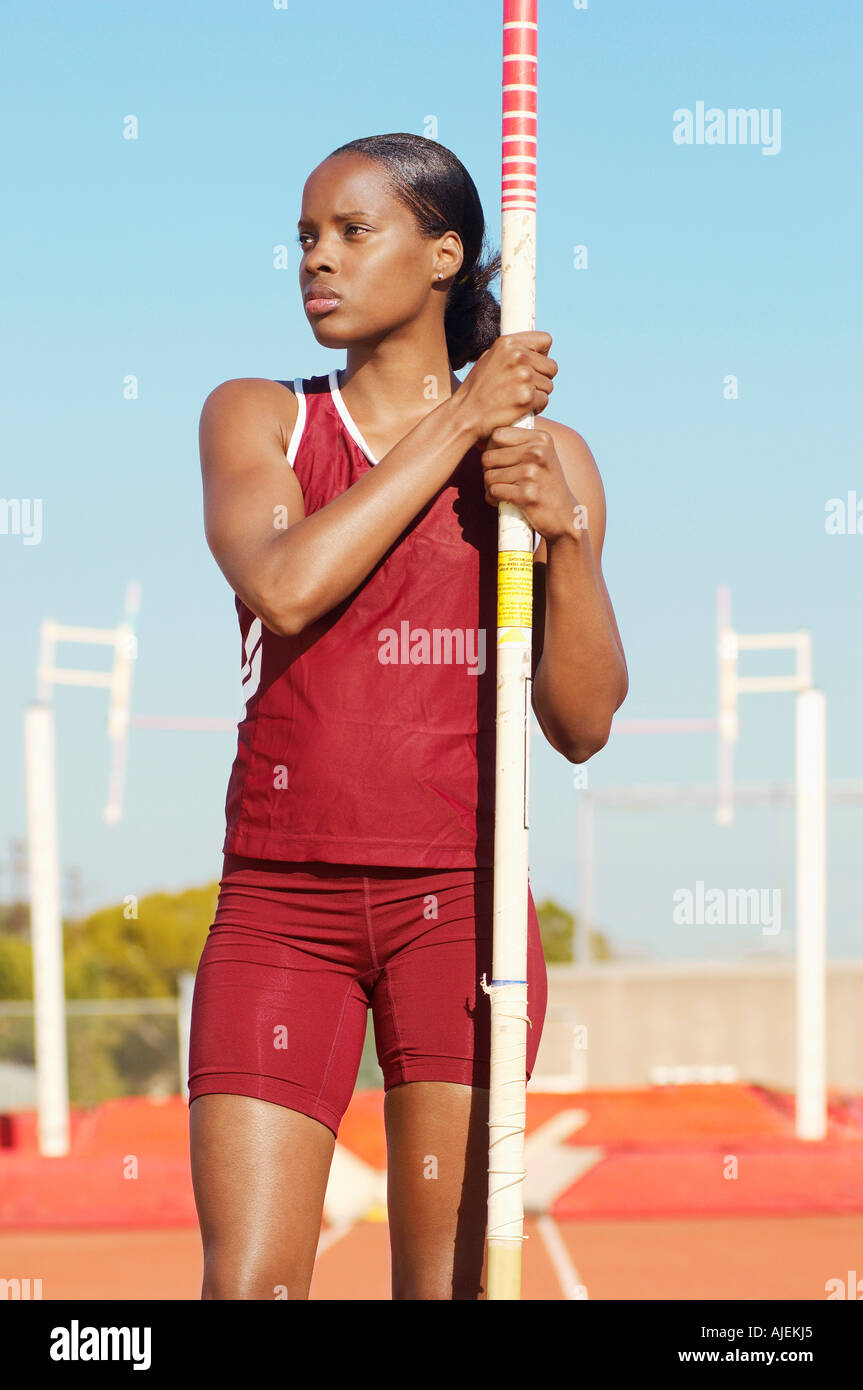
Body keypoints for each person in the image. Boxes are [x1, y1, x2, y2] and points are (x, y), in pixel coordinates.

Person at [188, 132, 628, 1301]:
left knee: (445, 1290)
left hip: (461, 910)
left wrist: (563, 538)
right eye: (304, 238)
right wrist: (458, 419)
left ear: (444, 256)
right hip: (281, 907)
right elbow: (282, 584)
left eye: (349, 231)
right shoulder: (258, 418)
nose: (314, 261)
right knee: (250, 1288)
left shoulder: (541, 457)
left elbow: (581, 725)